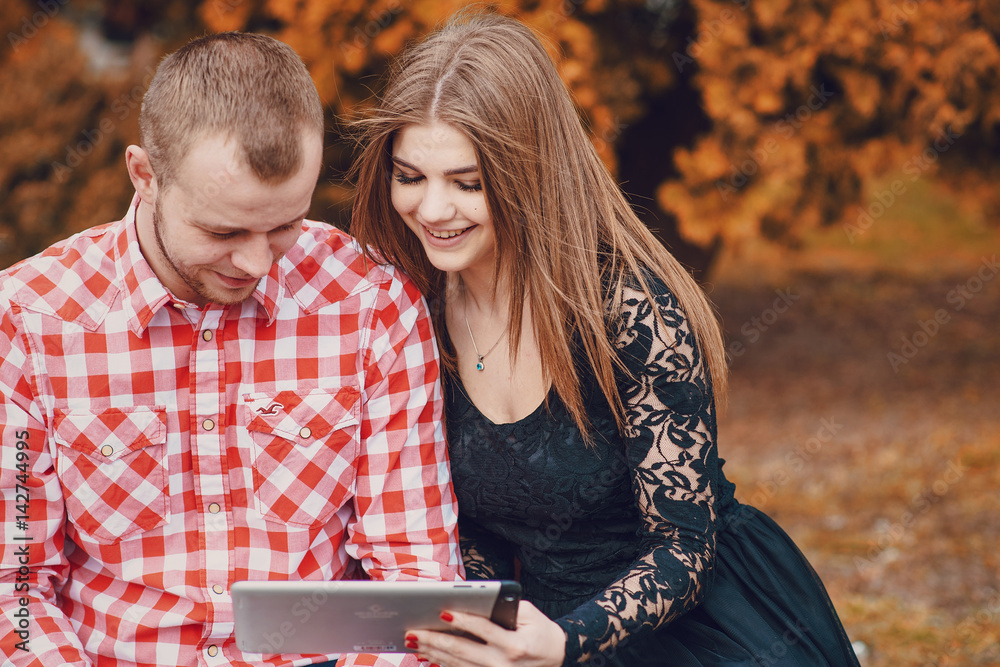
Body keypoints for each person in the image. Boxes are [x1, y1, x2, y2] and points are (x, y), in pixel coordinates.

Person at [349, 11, 862, 667]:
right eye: (410, 176)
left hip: (684, 629)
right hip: (530, 630)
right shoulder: (412, 302)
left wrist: (565, 641)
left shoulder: (632, 312)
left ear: (527, 174)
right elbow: (471, 520)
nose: (432, 209)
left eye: (468, 183)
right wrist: (481, 618)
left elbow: (683, 546)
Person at [0, 32, 462, 667]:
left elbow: (416, 580)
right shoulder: (26, 321)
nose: (254, 262)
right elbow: (16, 593)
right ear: (145, 176)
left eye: (284, 226)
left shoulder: (372, 305)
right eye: (223, 230)